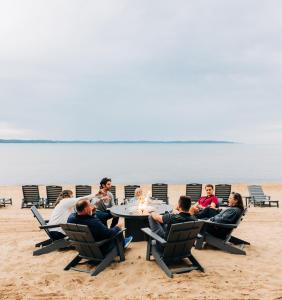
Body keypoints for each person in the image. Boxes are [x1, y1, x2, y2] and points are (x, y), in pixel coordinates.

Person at [68, 199, 132, 253]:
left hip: (83, 248)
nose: (92, 206)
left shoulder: (71, 218)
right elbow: (109, 234)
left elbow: (84, 217)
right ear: (86, 209)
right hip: (100, 248)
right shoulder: (93, 222)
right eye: (90, 205)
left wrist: (91, 212)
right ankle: (123, 244)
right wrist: (117, 227)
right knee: (118, 230)